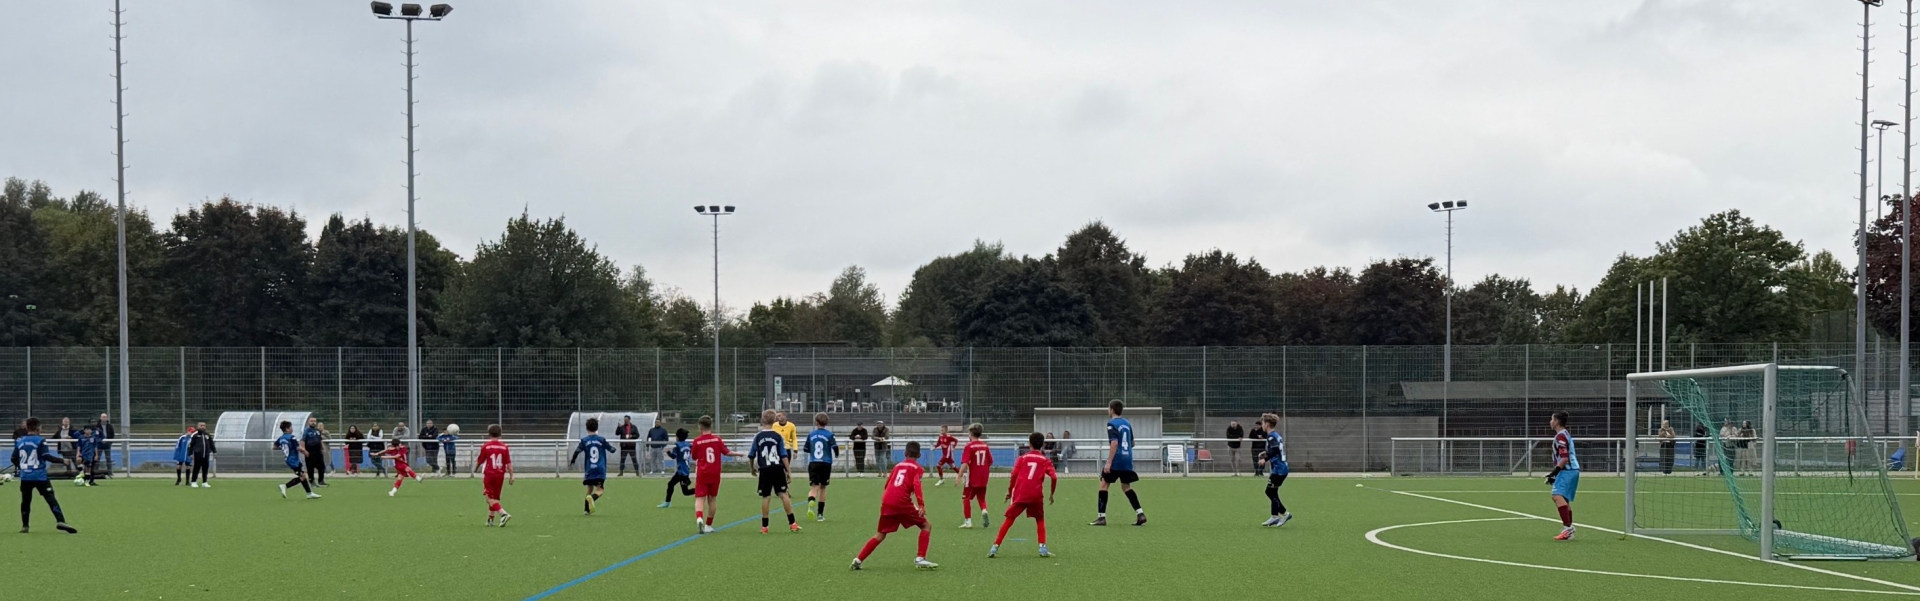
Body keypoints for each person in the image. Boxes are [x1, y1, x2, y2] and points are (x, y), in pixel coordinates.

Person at [850, 441, 938, 571]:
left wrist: (887, 500)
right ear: (919, 455)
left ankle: (858, 560)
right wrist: (921, 505)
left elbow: (887, 484)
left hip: (888, 501)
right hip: (902, 502)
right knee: (926, 525)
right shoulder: (917, 468)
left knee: (880, 534)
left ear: (905, 453)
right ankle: (920, 558)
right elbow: (917, 486)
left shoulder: (897, 466)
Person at [989, 432, 1056, 558]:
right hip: (1036, 494)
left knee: (1010, 519)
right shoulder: (1045, 460)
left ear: (1029, 444)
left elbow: (1014, 474)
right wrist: (1052, 494)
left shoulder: (1022, 458)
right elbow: (1054, 477)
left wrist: (1010, 491)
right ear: (1042, 444)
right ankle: (1042, 547)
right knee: (1040, 519)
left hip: (1021, 493)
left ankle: (995, 547)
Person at [12, 418, 78, 534]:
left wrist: (22, 467)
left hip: (25, 476)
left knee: (26, 501)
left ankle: (25, 526)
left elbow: (13, 458)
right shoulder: (40, 441)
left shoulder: (20, 441)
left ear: (27, 427)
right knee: (50, 498)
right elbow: (46, 456)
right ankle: (60, 521)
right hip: (39, 476)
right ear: (38, 428)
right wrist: (63, 460)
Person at [1092, 400, 1145, 526]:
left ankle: (1101, 518)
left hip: (1117, 459)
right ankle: (1140, 514)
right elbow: (1132, 443)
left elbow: (1114, 443)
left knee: (1104, 484)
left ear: (1111, 409)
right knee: (1126, 487)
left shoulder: (1111, 423)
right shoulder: (1127, 423)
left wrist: (1109, 463)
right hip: (1127, 459)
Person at [750, 410, 801, 534]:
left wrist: (752, 468)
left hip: (764, 470)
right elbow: (783, 455)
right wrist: (788, 471)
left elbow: (751, 455)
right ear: (774, 421)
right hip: (777, 468)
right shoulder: (778, 436)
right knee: (783, 494)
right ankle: (793, 524)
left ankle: (764, 527)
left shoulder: (758, 437)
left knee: (766, 497)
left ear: (762, 420)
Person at [690, 415, 741, 534]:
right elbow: (726, 452)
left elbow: (694, 457)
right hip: (715, 473)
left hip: (702, 473)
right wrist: (738, 454)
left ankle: (699, 518)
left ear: (700, 427)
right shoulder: (717, 440)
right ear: (711, 426)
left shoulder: (697, 441)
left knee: (700, 498)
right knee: (712, 499)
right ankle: (708, 525)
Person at [1546, 411, 1580, 541]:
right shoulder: (1565, 434)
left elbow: (1564, 458)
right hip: (1572, 470)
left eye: (1552, 419)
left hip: (1567, 471)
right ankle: (1568, 529)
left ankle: (1568, 528)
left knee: (1556, 496)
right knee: (1564, 499)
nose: (1550, 421)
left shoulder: (1561, 436)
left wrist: (1554, 473)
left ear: (1557, 421)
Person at [571, 418, 614, 515]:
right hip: (600, 469)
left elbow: (577, 451)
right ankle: (593, 498)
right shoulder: (601, 440)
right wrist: (613, 449)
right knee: (600, 490)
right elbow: (611, 449)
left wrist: (573, 460)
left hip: (589, 469)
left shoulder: (584, 441)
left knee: (589, 488)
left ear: (587, 428)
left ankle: (586, 510)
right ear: (597, 428)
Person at [474, 425, 514, 526]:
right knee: (494, 498)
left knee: (489, 498)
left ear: (489, 434)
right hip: (500, 475)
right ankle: (490, 519)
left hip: (490, 474)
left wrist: (475, 469)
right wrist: (511, 476)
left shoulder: (486, 446)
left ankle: (503, 514)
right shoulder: (504, 447)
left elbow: (480, 460)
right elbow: (508, 463)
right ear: (500, 434)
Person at [1257, 413, 1292, 527]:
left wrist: (1265, 458)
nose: (1262, 425)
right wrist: (1266, 453)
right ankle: (1274, 517)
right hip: (1280, 469)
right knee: (1273, 492)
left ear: (1267, 424)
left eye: (1263, 423)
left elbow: (1275, 449)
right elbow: (1275, 449)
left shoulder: (1271, 436)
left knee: (1269, 492)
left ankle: (1285, 514)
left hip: (1279, 470)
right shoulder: (1275, 435)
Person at [959, 423, 993, 529]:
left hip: (972, 477)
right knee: (981, 497)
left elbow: (965, 463)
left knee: (966, 498)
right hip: (984, 477)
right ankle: (984, 510)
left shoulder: (969, 446)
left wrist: (959, 475)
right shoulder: (985, 446)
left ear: (970, 434)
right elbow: (990, 461)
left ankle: (968, 521)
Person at [274, 420, 318, 500]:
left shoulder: (281, 438)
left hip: (289, 459)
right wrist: (305, 452)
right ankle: (285, 486)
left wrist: (285, 448)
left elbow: (274, 447)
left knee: (302, 476)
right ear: (287, 429)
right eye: (291, 427)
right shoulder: (291, 437)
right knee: (302, 476)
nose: (292, 429)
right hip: (293, 460)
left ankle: (309, 493)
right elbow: (298, 447)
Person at [805, 413, 836, 522]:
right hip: (826, 463)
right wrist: (836, 454)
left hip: (814, 462)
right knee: (823, 488)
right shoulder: (829, 434)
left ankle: (811, 500)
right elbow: (835, 447)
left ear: (816, 422)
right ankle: (820, 515)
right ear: (826, 422)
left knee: (814, 487)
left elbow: (806, 449)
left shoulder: (811, 434)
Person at [660, 429, 695, 508]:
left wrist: (668, 452)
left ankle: (702, 491)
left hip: (681, 471)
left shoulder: (677, 446)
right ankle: (667, 502)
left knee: (684, 491)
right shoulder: (688, 445)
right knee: (672, 485)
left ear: (677, 437)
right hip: (686, 469)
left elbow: (674, 456)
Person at [188, 422, 216, 487]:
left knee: (205, 468)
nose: (203, 427)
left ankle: (204, 482)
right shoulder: (195, 435)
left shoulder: (207, 435)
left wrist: (214, 451)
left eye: (204, 426)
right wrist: (190, 453)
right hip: (198, 454)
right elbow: (191, 445)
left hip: (206, 454)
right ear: (198, 426)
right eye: (201, 425)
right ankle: (194, 481)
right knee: (196, 468)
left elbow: (211, 443)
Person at [301, 417, 327, 487]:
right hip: (310, 452)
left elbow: (320, 440)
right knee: (310, 467)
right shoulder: (306, 430)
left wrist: (322, 448)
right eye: (311, 421)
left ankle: (321, 481)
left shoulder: (317, 431)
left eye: (314, 421)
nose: (313, 422)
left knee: (321, 466)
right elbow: (302, 440)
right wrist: (304, 450)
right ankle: (312, 481)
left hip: (318, 451)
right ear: (308, 422)